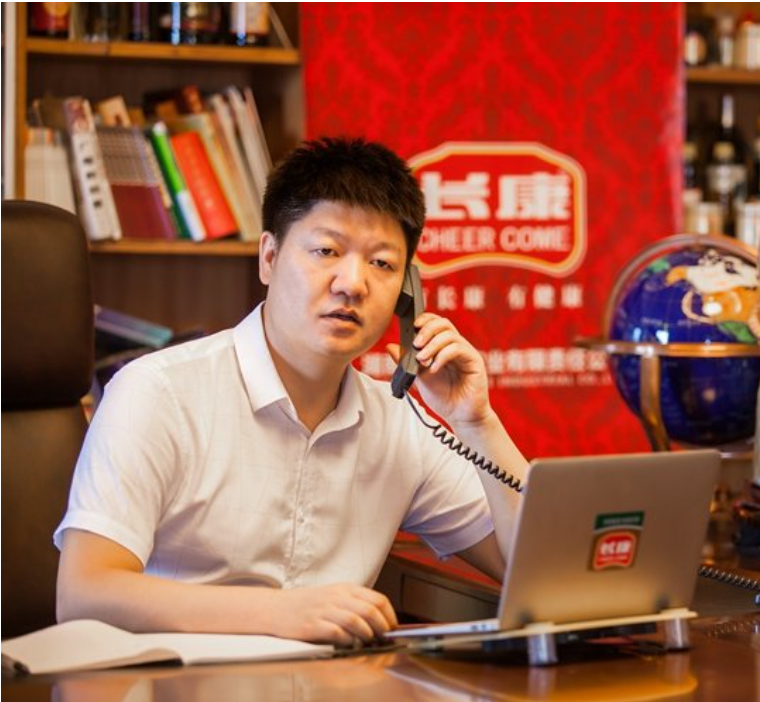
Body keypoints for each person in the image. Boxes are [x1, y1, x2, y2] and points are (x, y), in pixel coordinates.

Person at [55, 137, 529, 645]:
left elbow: (531, 570)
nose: (353, 284)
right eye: (326, 251)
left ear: (406, 293)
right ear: (269, 257)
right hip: (174, 679)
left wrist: (476, 423)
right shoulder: (159, 392)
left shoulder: (399, 425)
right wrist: (279, 613)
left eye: (382, 264)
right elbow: (85, 593)